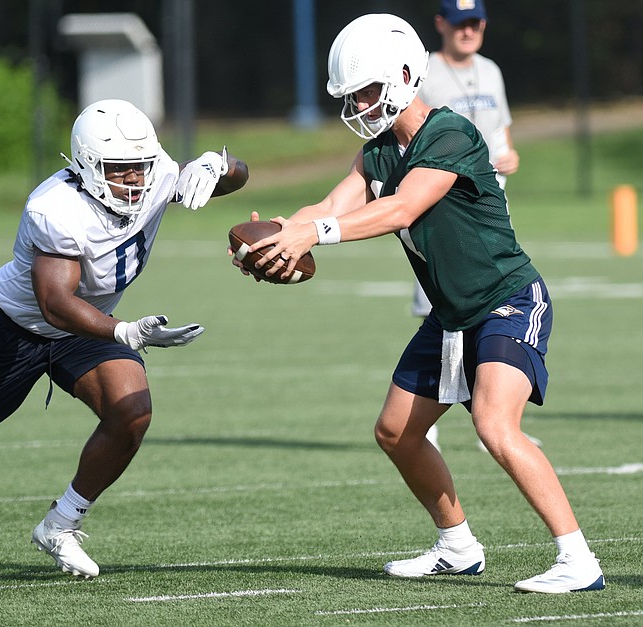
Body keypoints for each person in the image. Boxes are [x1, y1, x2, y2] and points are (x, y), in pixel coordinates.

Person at [236, 14, 604, 593]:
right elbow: (330, 203)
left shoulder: (450, 134)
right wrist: (281, 230)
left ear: (405, 76)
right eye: (351, 94)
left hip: (506, 298)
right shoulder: (378, 151)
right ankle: (457, 546)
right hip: (451, 314)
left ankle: (577, 559)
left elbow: (402, 209)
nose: (358, 103)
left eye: (367, 90)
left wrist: (317, 234)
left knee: (493, 423)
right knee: (395, 432)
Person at [0, 99, 249, 584]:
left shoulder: (158, 173)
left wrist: (220, 164)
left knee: (131, 411)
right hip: (18, 327)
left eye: (141, 168)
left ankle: (61, 523)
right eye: (120, 169)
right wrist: (124, 331)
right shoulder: (54, 207)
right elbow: (54, 303)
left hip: (87, 325)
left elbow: (236, 176)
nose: (134, 180)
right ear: (87, 166)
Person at [415, 0, 530, 452]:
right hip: (441, 210)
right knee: (437, 307)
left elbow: (502, 131)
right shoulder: (422, 70)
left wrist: (511, 155)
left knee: (492, 305)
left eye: (476, 23)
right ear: (441, 23)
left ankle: (494, 421)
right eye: (460, 23)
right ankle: (426, 422)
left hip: (489, 208)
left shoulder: (492, 70)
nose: (469, 31)